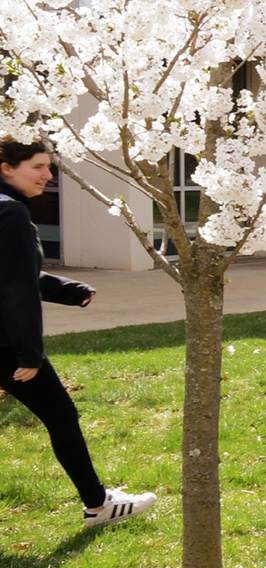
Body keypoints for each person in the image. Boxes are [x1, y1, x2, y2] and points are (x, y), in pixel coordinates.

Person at [0, 139, 157, 527]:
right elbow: (16, 288)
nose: (47, 175)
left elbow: (10, 273)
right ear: (6, 167)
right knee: (61, 414)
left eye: (48, 167)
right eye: (37, 167)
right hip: (4, 344)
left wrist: (66, 290)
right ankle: (98, 505)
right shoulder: (12, 214)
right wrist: (29, 355)